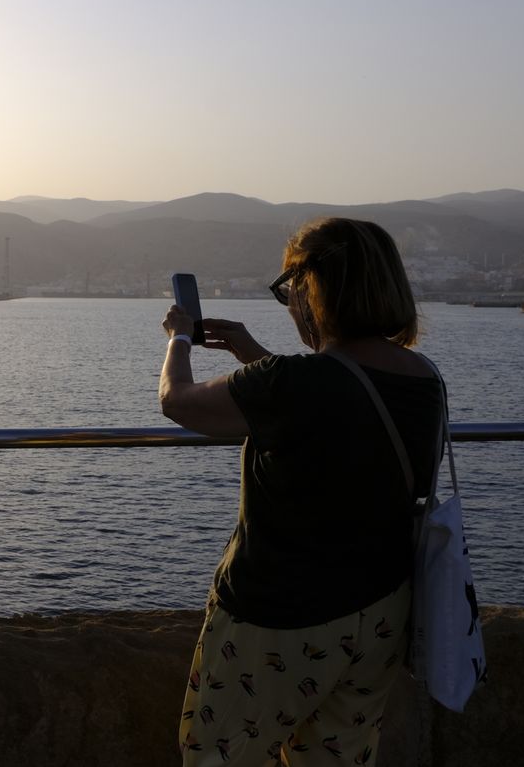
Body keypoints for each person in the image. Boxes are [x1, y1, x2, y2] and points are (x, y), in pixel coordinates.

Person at [158, 217, 444, 767]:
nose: (290, 303)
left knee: (218, 756)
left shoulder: (292, 383)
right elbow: (334, 400)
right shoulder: (424, 376)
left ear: (315, 289)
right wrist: (255, 357)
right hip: (381, 614)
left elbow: (179, 401)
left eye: (290, 287)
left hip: (278, 619)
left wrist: (180, 340)